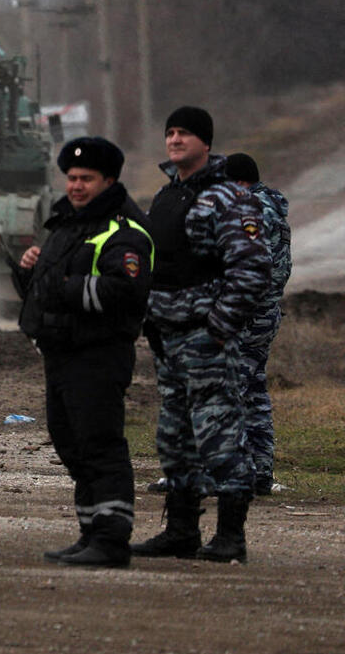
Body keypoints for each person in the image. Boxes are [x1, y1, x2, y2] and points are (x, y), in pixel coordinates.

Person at [131, 106, 273, 564]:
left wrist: (219, 327)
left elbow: (252, 267)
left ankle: (231, 536)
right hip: (168, 339)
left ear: (205, 143)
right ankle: (181, 530)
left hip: (206, 339)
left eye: (185, 133)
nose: (175, 140)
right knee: (174, 439)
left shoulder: (229, 198)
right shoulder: (167, 197)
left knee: (219, 434)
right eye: (170, 132)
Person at [13, 136, 152, 568]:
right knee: (71, 444)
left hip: (98, 355)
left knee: (99, 445)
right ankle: (91, 531)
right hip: (60, 354)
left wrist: (66, 287)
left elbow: (125, 289)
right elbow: (44, 292)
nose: (75, 186)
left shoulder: (124, 231)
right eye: (71, 178)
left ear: (108, 180)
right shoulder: (67, 225)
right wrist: (29, 273)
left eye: (86, 179)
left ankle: (112, 540)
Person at [223, 152, 292, 496]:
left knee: (232, 389)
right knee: (254, 392)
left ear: (240, 182)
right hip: (266, 313)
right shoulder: (273, 207)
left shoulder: (252, 210)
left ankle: (234, 473)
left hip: (247, 314)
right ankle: (260, 471)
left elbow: (247, 268)